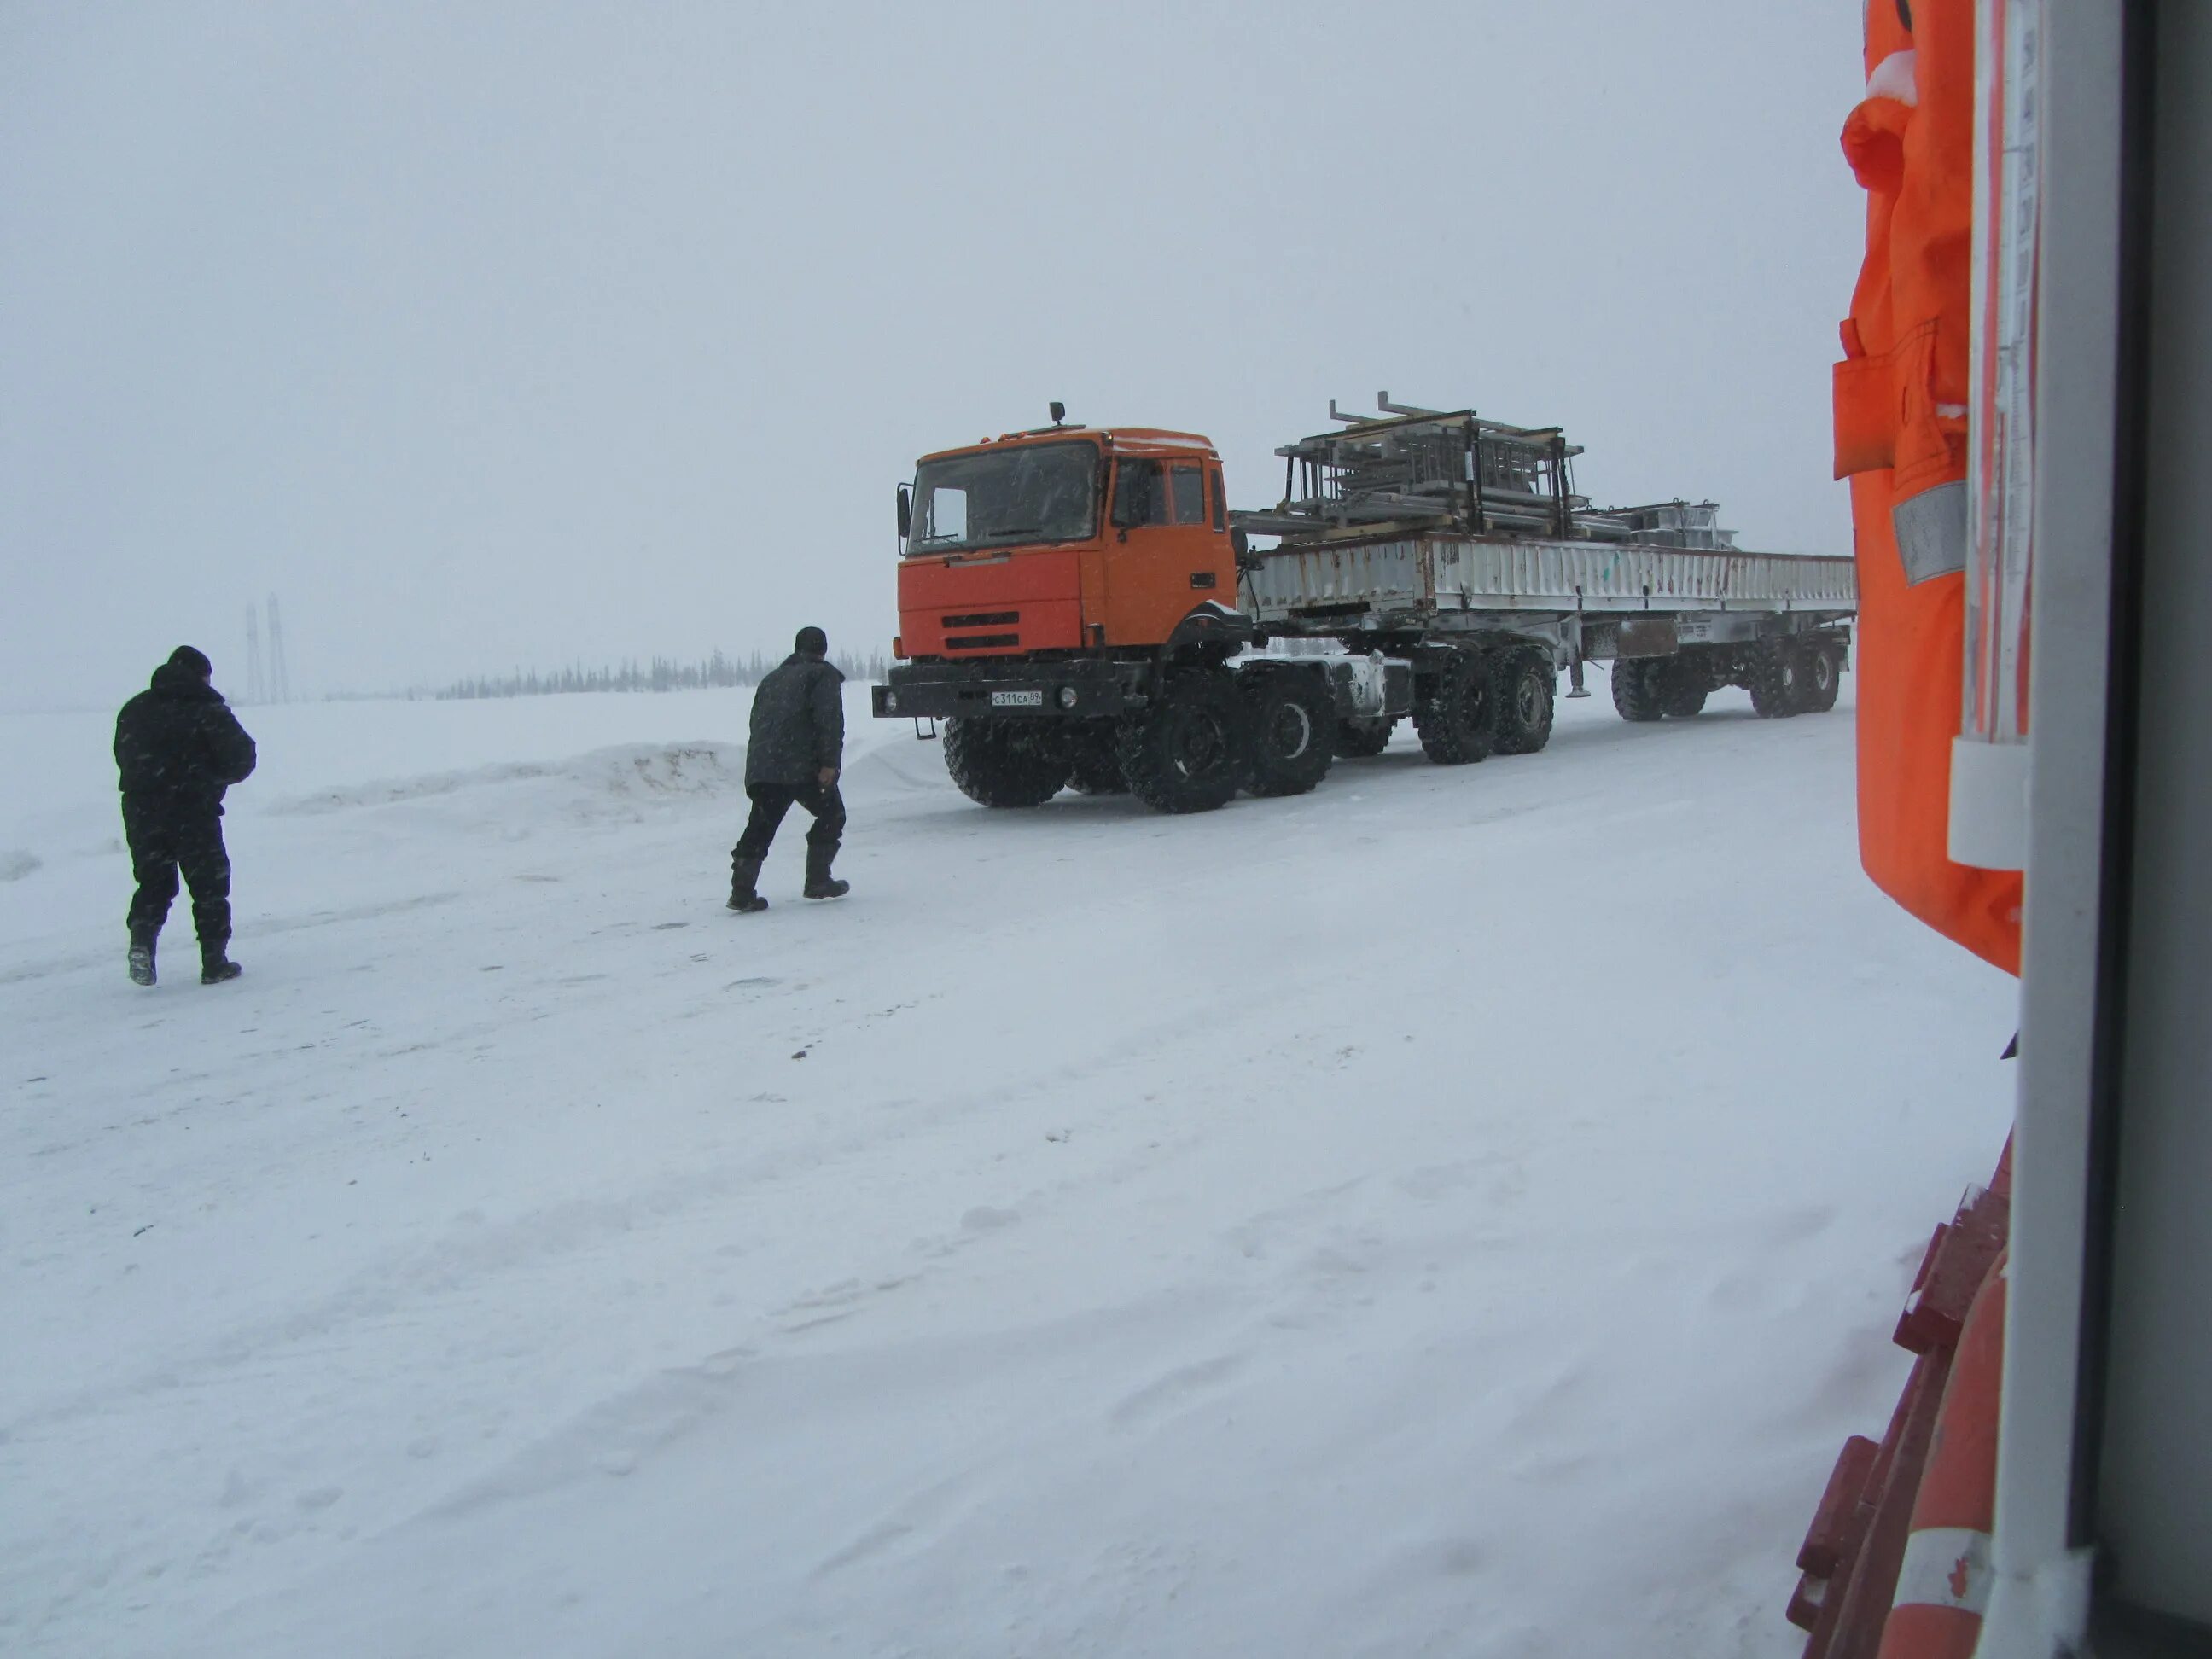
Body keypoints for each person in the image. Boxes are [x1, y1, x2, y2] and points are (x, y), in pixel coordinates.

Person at [113, 645, 258, 985]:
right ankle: (214, 961)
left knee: (154, 882)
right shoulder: (206, 708)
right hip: (193, 810)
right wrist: (210, 777)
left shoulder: (135, 709)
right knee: (209, 884)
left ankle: (142, 943)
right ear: (201, 675)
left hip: (141, 810)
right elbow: (242, 758)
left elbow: (124, 756)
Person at [729, 626, 848, 911]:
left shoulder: (772, 679)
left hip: (765, 763)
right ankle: (818, 880)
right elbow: (828, 721)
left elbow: (757, 722)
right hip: (800, 764)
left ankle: (742, 891)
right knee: (832, 814)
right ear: (823, 649)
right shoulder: (822, 675)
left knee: (761, 824)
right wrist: (829, 763)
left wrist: (763, 762)